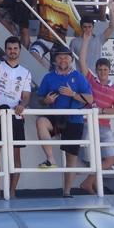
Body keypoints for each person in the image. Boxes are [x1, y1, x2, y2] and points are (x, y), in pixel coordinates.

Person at [35, 47, 92, 197]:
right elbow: (39, 98)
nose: (63, 60)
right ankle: (50, 159)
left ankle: (67, 192)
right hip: (55, 116)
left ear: (71, 59)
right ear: (55, 60)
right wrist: (46, 100)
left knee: (71, 158)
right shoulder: (48, 77)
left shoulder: (78, 77)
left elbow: (90, 99)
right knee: (41, 122)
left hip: (74, 119)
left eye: (66, 57)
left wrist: (72, 94)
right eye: (60, 57)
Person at [0, 29, 32, 199]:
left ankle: (12, 191)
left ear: (20, 50)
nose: (12, 51)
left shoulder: (25, 72)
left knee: (15, 156)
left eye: (15, 48)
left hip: (15, 117)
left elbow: (26, 96)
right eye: (9, 48)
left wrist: (22, 105)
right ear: (5, 50)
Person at [77, 30, 114, 195]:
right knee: (90, 157)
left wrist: (102, 111)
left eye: (105, 69)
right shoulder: (91, 81)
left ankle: (88, 183)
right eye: (100, 69)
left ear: (109, 70)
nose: (103, 72)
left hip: (105, 126)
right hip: (88, 125)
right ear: (96, 70)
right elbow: (82, 61)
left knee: (111, 158)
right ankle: (93, 184)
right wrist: (86, 40)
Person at [30, 0, 82, 68]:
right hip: (44, 38)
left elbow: (76, 25)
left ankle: (50, 72)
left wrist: (84, 34)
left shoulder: (67, 7)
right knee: (33, 52)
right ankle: (46, 72)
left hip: (59, 42)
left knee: (60, 67)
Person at [69, 1, 114, 74]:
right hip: (81, 76)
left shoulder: (98, 39)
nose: (87, 29)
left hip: (96, 76)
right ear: (81, 27)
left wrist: (111, 10)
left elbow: (112, 27)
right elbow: (69, 59)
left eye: (89, 27)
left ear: (93, 27)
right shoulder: (74, 41)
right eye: (85, 27)